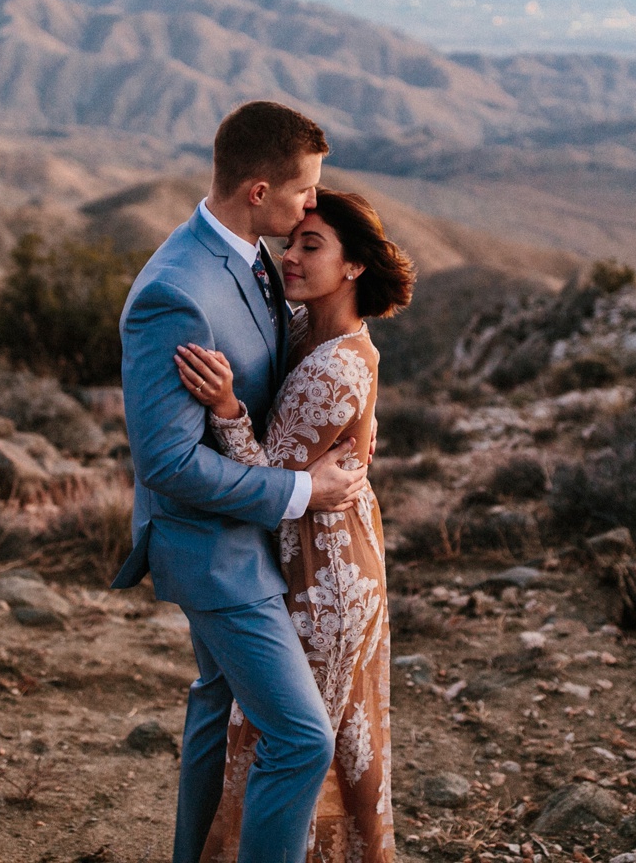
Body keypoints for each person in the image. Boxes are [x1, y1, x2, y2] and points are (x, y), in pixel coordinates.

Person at [111, 102, 371, 863]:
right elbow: (166, 462)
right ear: (258, 191)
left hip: (243, 534)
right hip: (211, 549)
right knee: (299, 737)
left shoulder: (254, 254)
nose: (310, 206)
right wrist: (302, 493)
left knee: (215, 705)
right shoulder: (178, 291)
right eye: (302, 192)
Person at [175, 187, 415, 863]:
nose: (292, 256)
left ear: (354, 266)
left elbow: (266, 480)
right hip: (320, 549)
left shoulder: (334, 363)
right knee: (300, 738)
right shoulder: (314, 329)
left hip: (325, 575)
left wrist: (224, 407)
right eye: (292, 242)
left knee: (300, 747)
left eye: (313, 246)